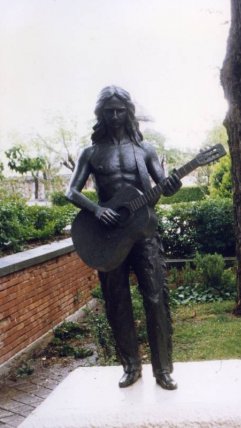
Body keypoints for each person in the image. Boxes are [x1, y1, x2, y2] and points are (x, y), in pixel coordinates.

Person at [66, 86, 181, 389]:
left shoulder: (146, 150)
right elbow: (71, 190)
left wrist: (171, 185)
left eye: (120, 110)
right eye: (109, 111)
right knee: (117, 302)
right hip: (108, 237)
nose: (115, 116)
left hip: (144, 233)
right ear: (101, 113)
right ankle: (130, 366)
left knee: (156, 299)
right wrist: (97, 209)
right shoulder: (90, 152)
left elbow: (162, 183)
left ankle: (163, 370)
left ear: (129, 112)